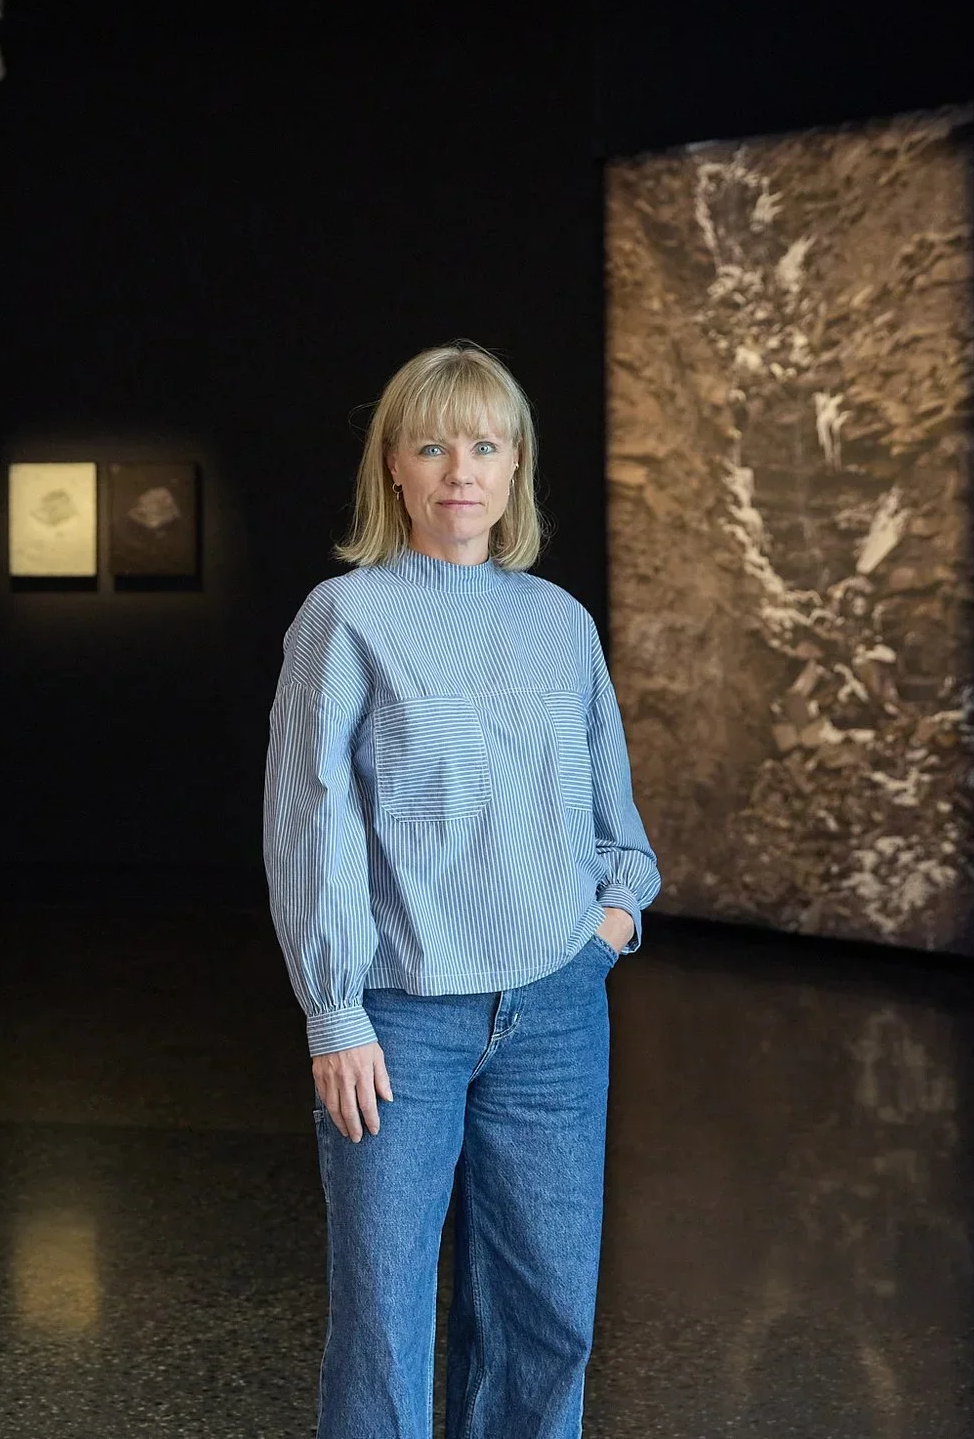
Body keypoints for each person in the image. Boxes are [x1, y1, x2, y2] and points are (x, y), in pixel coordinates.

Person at [263, 341, 661, 1439]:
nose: (460, 471)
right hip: (400, 1023)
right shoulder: (347, 617)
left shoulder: (558, 622)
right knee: (384, 1319)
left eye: (483, 446)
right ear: (393, 466)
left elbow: (613, 815)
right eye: (432, 446)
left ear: (515, 463)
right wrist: (335, 1010)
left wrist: (609, 924)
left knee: (548, 1317)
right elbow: (310, 822)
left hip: (555, 1012)